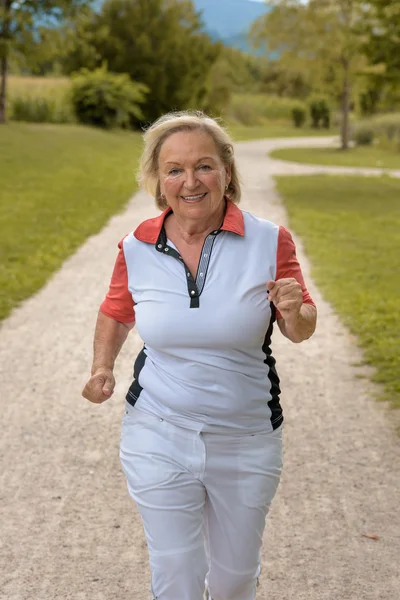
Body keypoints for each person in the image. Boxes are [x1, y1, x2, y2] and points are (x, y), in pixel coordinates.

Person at [82, 110, 317, 600]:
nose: (190, 181)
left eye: (204, 166)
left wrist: (295, 311)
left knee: (233, 579)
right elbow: (117, 311)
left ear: (227, 172)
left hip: (247, 435)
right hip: (158, 429)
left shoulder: (270, 241)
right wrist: (102, 368)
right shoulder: (137, 246)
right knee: (178, 574)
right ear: (158, 180)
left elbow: (300, 328)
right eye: (174, 170)